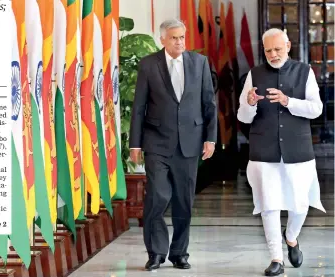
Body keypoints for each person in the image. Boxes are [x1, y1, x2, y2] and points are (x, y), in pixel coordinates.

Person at [129, 18, 217, 271]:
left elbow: (209, 103)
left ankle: (179, 253)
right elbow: (139, 108)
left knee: (183, 201)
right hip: (157, 141)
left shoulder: (199, 63)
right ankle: (156, 252)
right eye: (174, 37)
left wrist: (210, 138)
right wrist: (135, 144)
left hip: (190, 142)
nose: (179, 41)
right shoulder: (148, 65)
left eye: (182, 37)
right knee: (157, 196)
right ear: (163, 39)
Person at [237, 28, 326, 276]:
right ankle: (276, 258)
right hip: (264, 150)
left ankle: (291, 238)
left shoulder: (304, 71)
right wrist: (250, 103)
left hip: (298, 149)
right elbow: (242, 116)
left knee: (300, 206)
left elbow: (315, 109)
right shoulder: (254, 74)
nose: (273, 54)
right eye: (268, 50)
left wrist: (288, 101)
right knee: (269, 205)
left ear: (288, 46)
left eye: (278, 49)